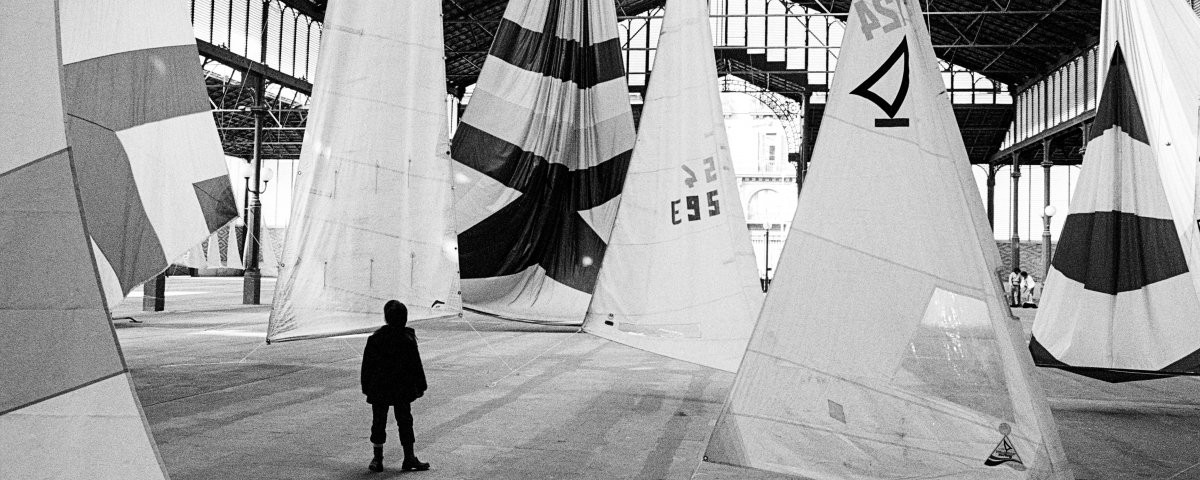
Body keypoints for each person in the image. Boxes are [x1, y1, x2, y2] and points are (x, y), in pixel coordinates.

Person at [361, 300, 430, 472]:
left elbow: (366, 366)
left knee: (378, 422)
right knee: (405, 421)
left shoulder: (375, 339)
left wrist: (366, 386)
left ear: (386, 318)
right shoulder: (407, 339)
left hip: (380, 388)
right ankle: (409, 457)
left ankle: (377, 459)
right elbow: (416, 365)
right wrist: (421, 385)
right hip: (402, 388)